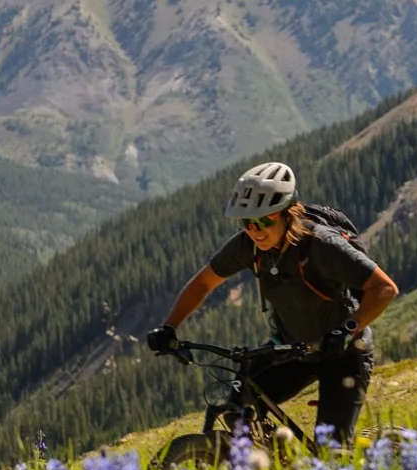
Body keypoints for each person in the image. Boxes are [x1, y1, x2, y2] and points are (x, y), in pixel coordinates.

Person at [147, 161, 400, 447]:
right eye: (247, 222)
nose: (255, 230)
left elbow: (383, 288)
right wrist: (169, 327)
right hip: (290, 349)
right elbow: (204, 283)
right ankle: (273, 469)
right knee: (238, 413)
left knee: (331, 452)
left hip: (343, 353)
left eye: (264, 220)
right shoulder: (248, 246)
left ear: (287, 214)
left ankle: (376, 457)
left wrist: (346, 331)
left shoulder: (320, 244)